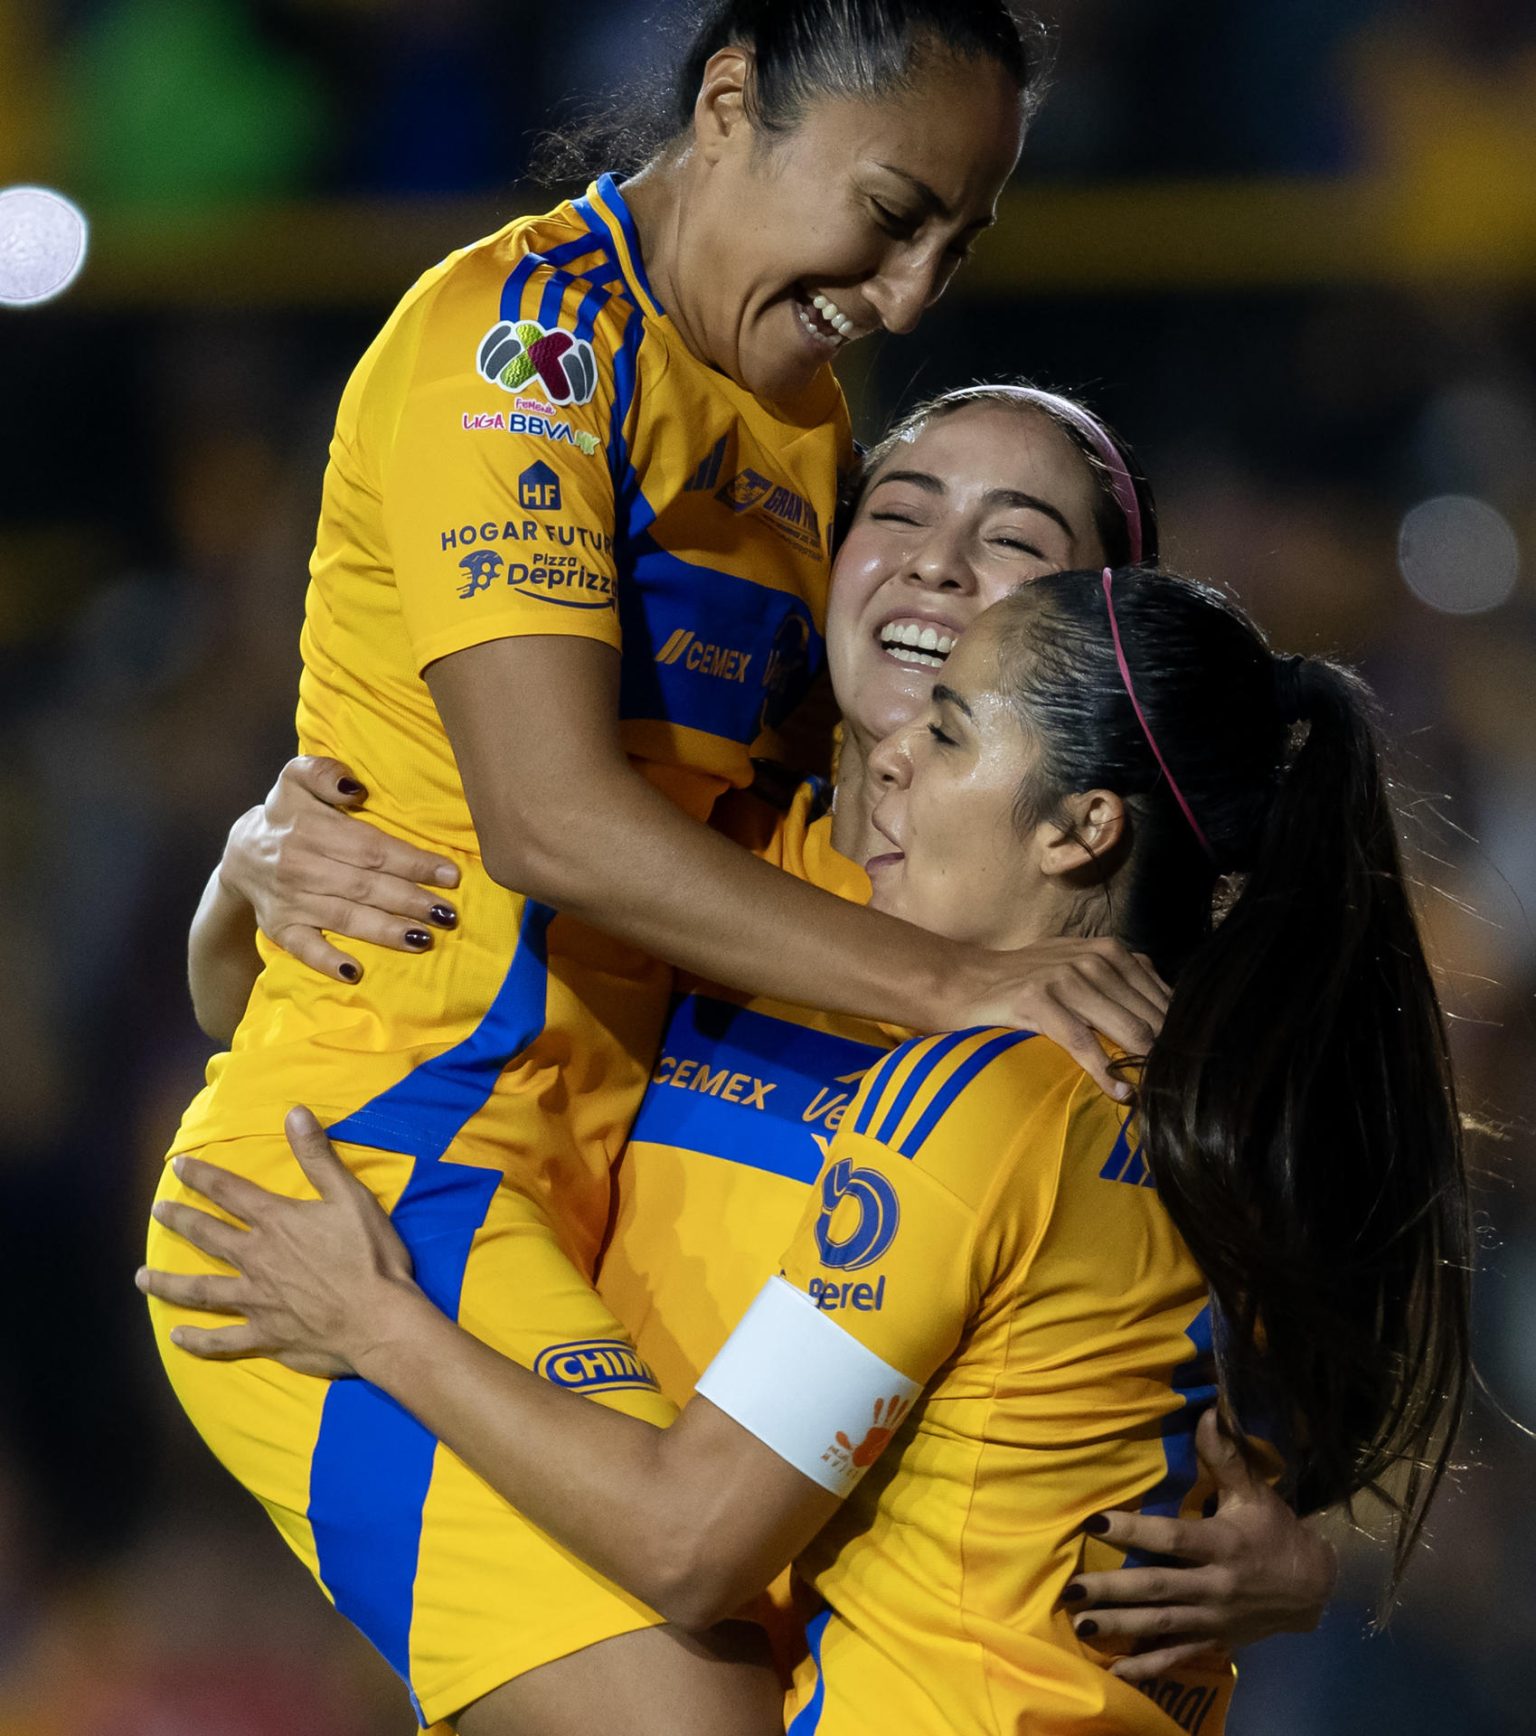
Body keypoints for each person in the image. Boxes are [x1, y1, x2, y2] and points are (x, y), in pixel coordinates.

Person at [147, 6, 1181, 1730]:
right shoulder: (528, 349)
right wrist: (248, 866)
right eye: (890, 209)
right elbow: (547, 827)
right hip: (383, 1192)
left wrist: (1287, 1514)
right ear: (726, 104)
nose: (914, 291)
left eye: (959, 240)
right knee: (698, 1700)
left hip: (552, 1192)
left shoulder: (804, 424)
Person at [154, 399, 1390, 1728]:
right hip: (639, 1618)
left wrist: (1297, 1561)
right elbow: (268, 1013)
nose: (935, 561)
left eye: (1013, 538)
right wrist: (251, 872)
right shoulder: (660, 859)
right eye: (900, 510)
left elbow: (1241, 1393)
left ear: (1094, 633)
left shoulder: (1121, 1015)